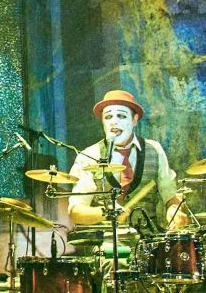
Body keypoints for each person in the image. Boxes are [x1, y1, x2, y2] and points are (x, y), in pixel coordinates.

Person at [67, 88, 182, 232]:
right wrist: (108, 213)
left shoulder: (154, 149)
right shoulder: (88, 156)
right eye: (108, 117)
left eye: (121, 116)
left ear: (134, 120)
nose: (114, 122)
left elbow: (170, 195)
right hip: (107, 241)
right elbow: (75, 211)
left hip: (149, 239)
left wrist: (174, 210)